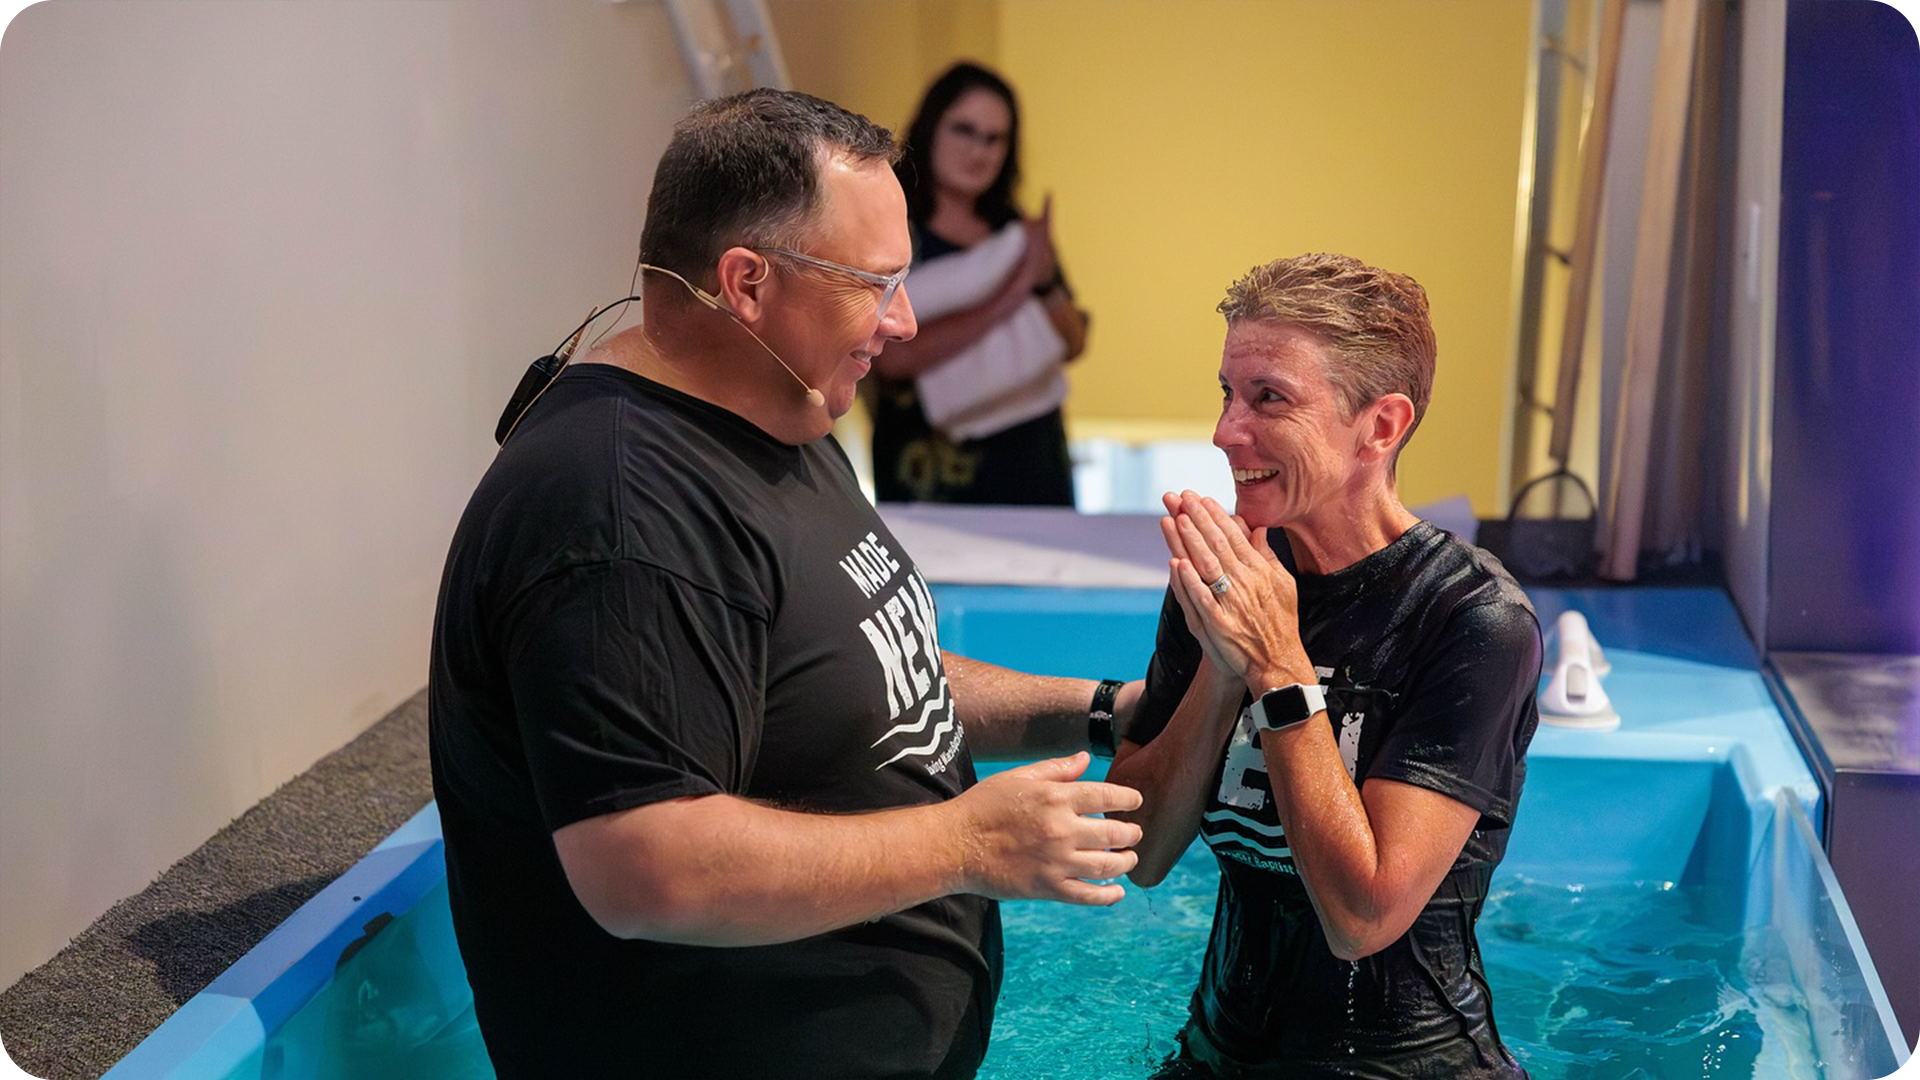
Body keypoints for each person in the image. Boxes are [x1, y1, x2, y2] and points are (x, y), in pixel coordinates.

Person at [427, 89, 1144, 1079]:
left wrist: (1101, 712)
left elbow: (861, 669)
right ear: (747, 284)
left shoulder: (781, 406)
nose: (904, 322)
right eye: (876, 284)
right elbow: (648, 871)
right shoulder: (620, 510)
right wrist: (965, 847)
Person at [1107, 254, 1543, 1078]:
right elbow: (1143, 853)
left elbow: (1362, 916)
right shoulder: (1227, 581)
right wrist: (1223, 663)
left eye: (1268, 398)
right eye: (1227, 393)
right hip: (1217, 1058)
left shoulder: (1472, 619)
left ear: (1380, 426)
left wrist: (1276, 667)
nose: (1226, 431)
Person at [867, 61, 1089, 506]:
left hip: (1030, 456)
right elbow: (890, 359)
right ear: (931, 128)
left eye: (995, 138)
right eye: (964, 130)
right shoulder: (890, 228)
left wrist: (1042, 283)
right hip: (930, 468)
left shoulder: (1016, 233)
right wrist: (1010, 297)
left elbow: (1073, 342)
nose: (979, 151)